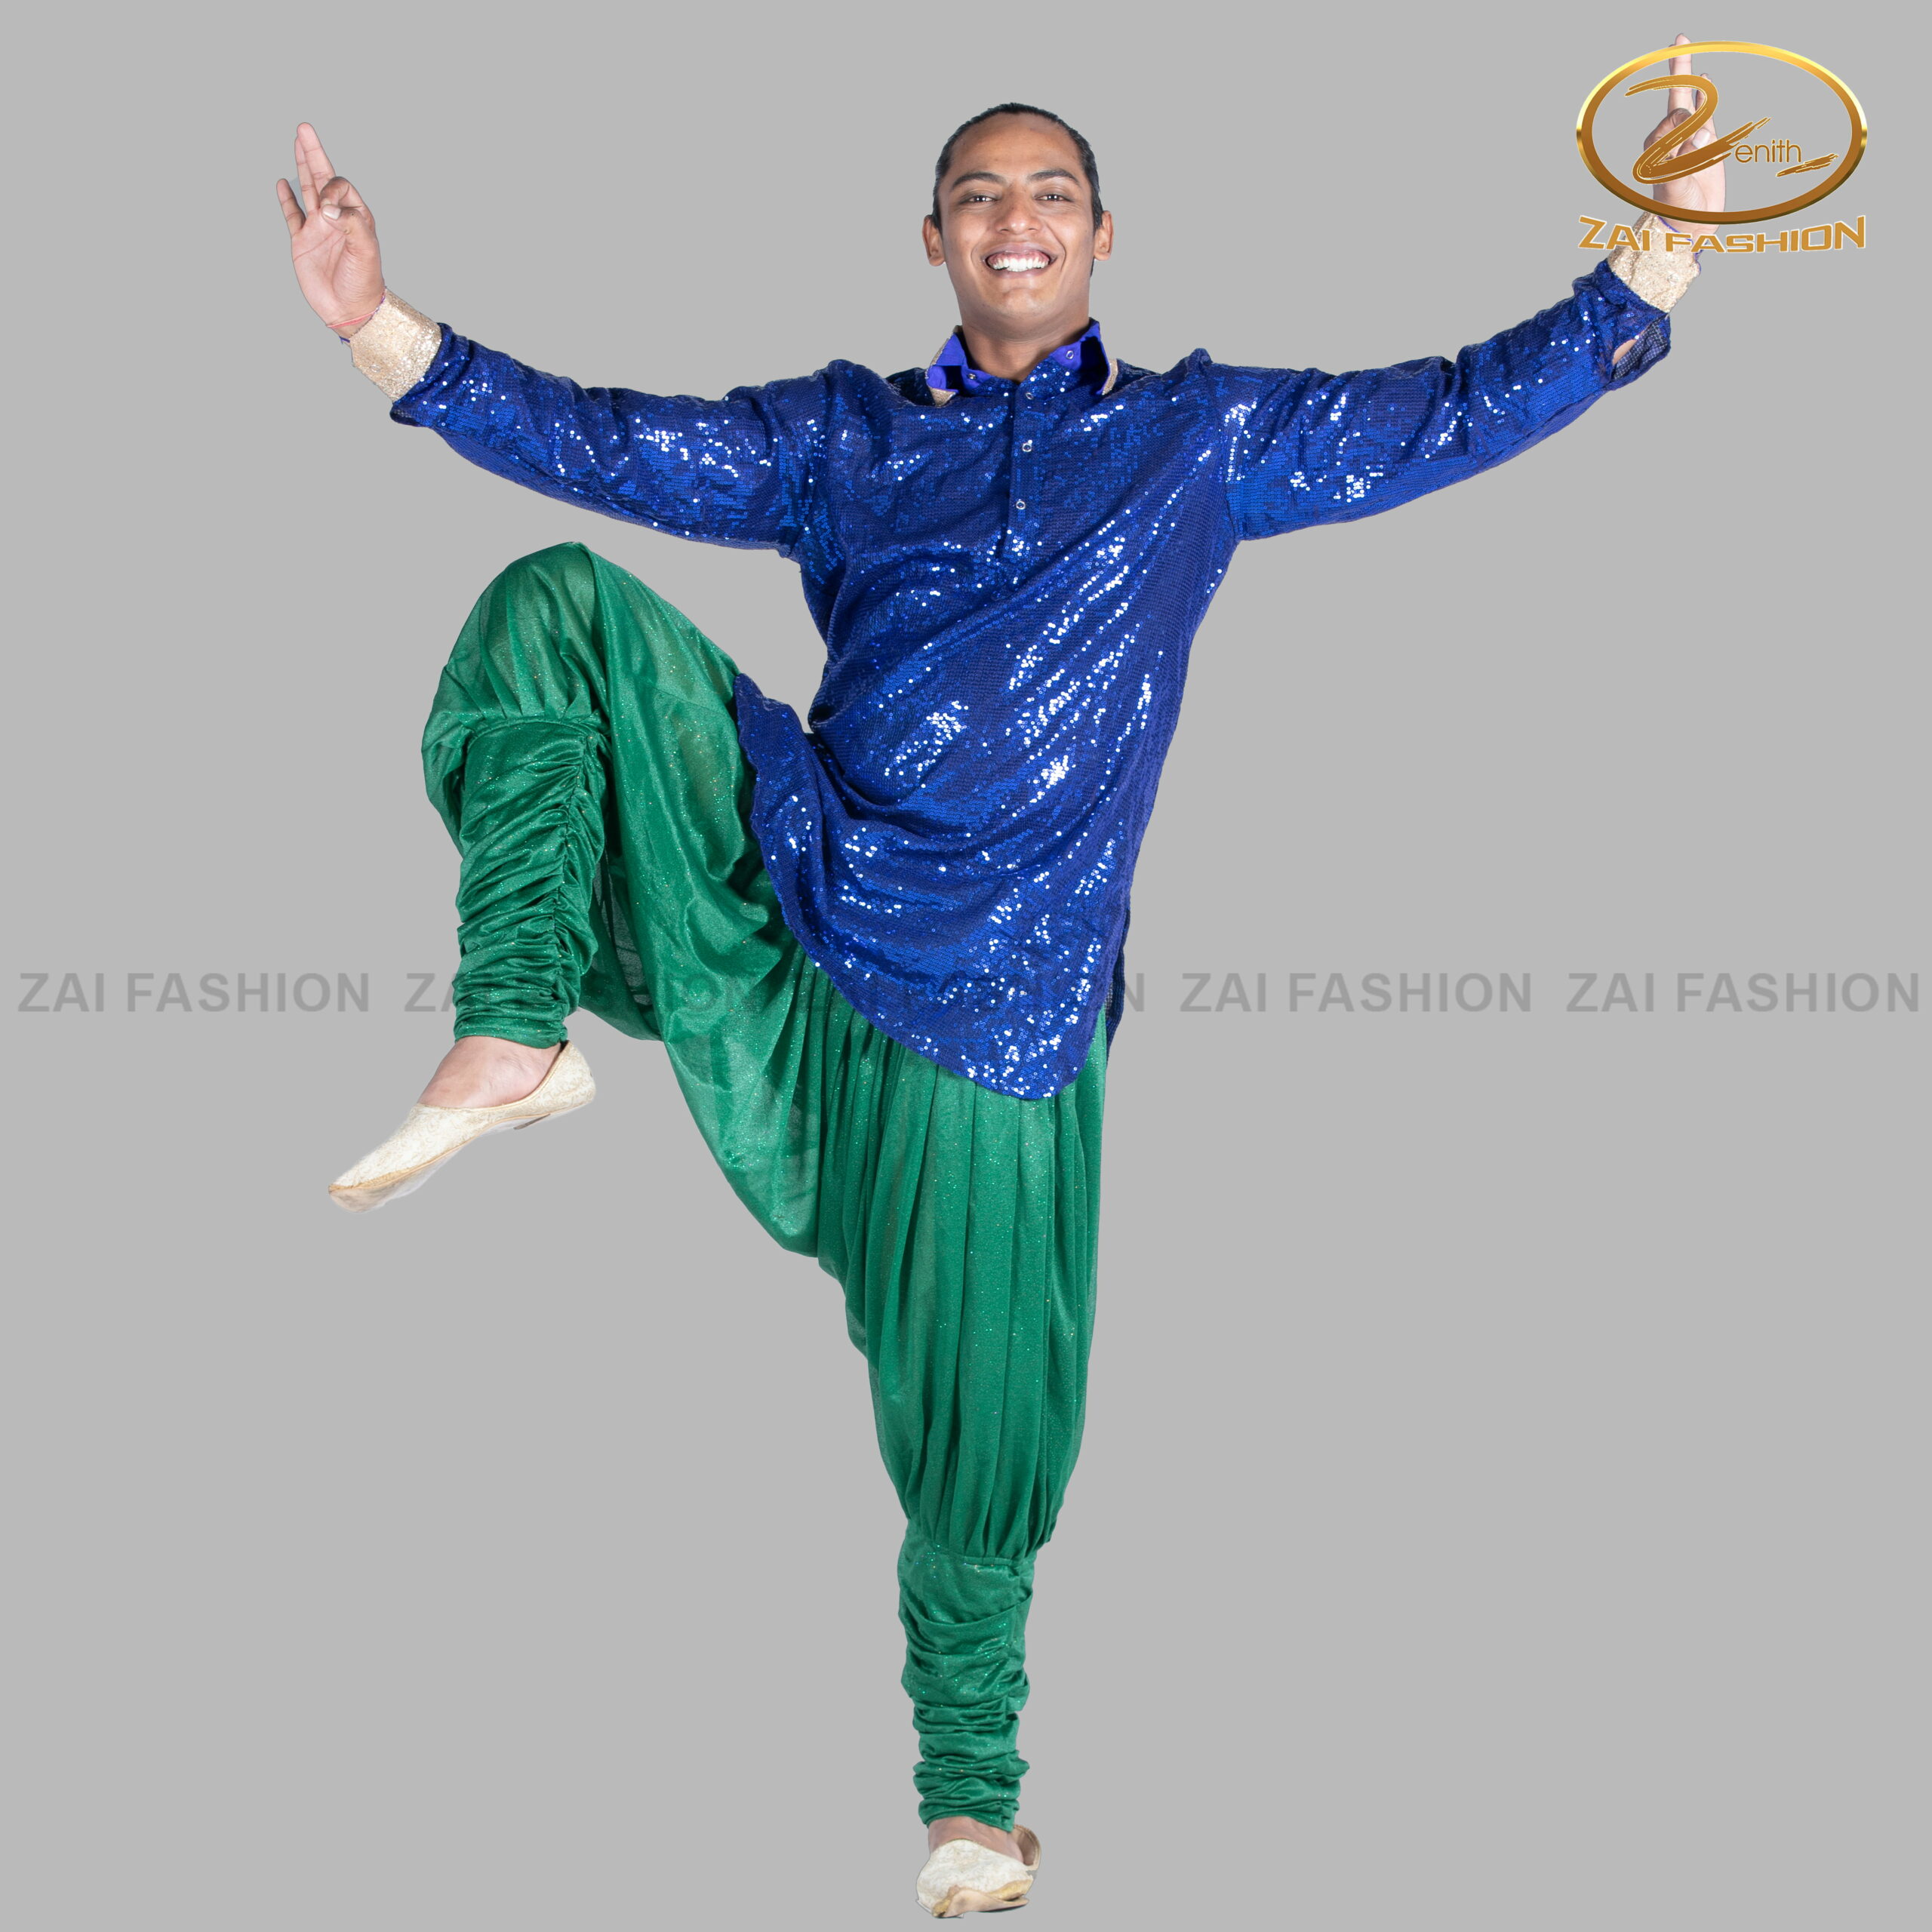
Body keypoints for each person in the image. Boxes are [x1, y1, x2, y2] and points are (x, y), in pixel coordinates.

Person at [281, 48, 1723, 1917]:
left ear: (1103, 234)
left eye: (1048, 193)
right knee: (552, 605)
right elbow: (614, 441)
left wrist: (1649, 266)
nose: (1013, 218)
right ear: (934, 241)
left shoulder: (1196, 439)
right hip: (798, 895)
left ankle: (968, 1800)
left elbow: (1439, 409)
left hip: (1002, 1003)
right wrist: (380, 326)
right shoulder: (842, 439)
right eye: (978, 195)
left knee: (984, 1436)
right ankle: (512, 1024)